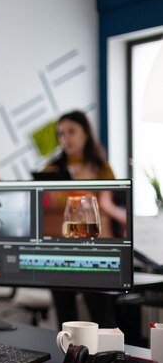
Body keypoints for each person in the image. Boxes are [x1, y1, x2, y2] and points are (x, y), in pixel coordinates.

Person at [42, 110, 125, 329]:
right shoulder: (50, 170)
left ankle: (105, 360)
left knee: (103, 319)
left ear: (86, 133)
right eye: (61, 133)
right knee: (65, 320)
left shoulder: (102, 169)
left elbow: (108, 207)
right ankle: (69, 361)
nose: (65, 138)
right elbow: (40, 207)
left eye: (71, 131)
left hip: (94, 253)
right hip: (59, 254)